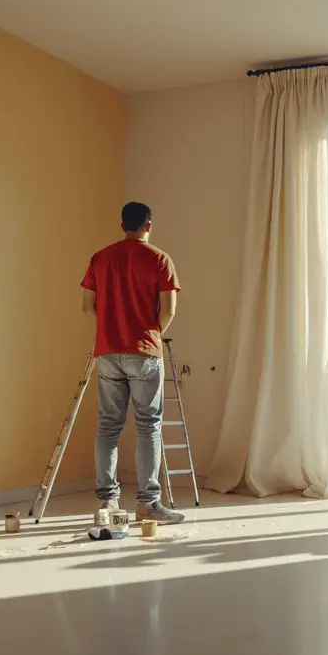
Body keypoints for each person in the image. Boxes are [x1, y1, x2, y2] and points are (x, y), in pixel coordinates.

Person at [80, 201, 184, 526]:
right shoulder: (160, 259)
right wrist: (150, 334)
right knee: (148, 426)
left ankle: (107, 502)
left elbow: (87, 306)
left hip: (108, 352)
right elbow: (168, 310)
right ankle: (148, 504)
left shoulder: (100, 258)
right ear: (148, 225)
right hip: (144, 352)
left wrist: (109, 332)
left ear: (122, 225)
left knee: (108, 426)